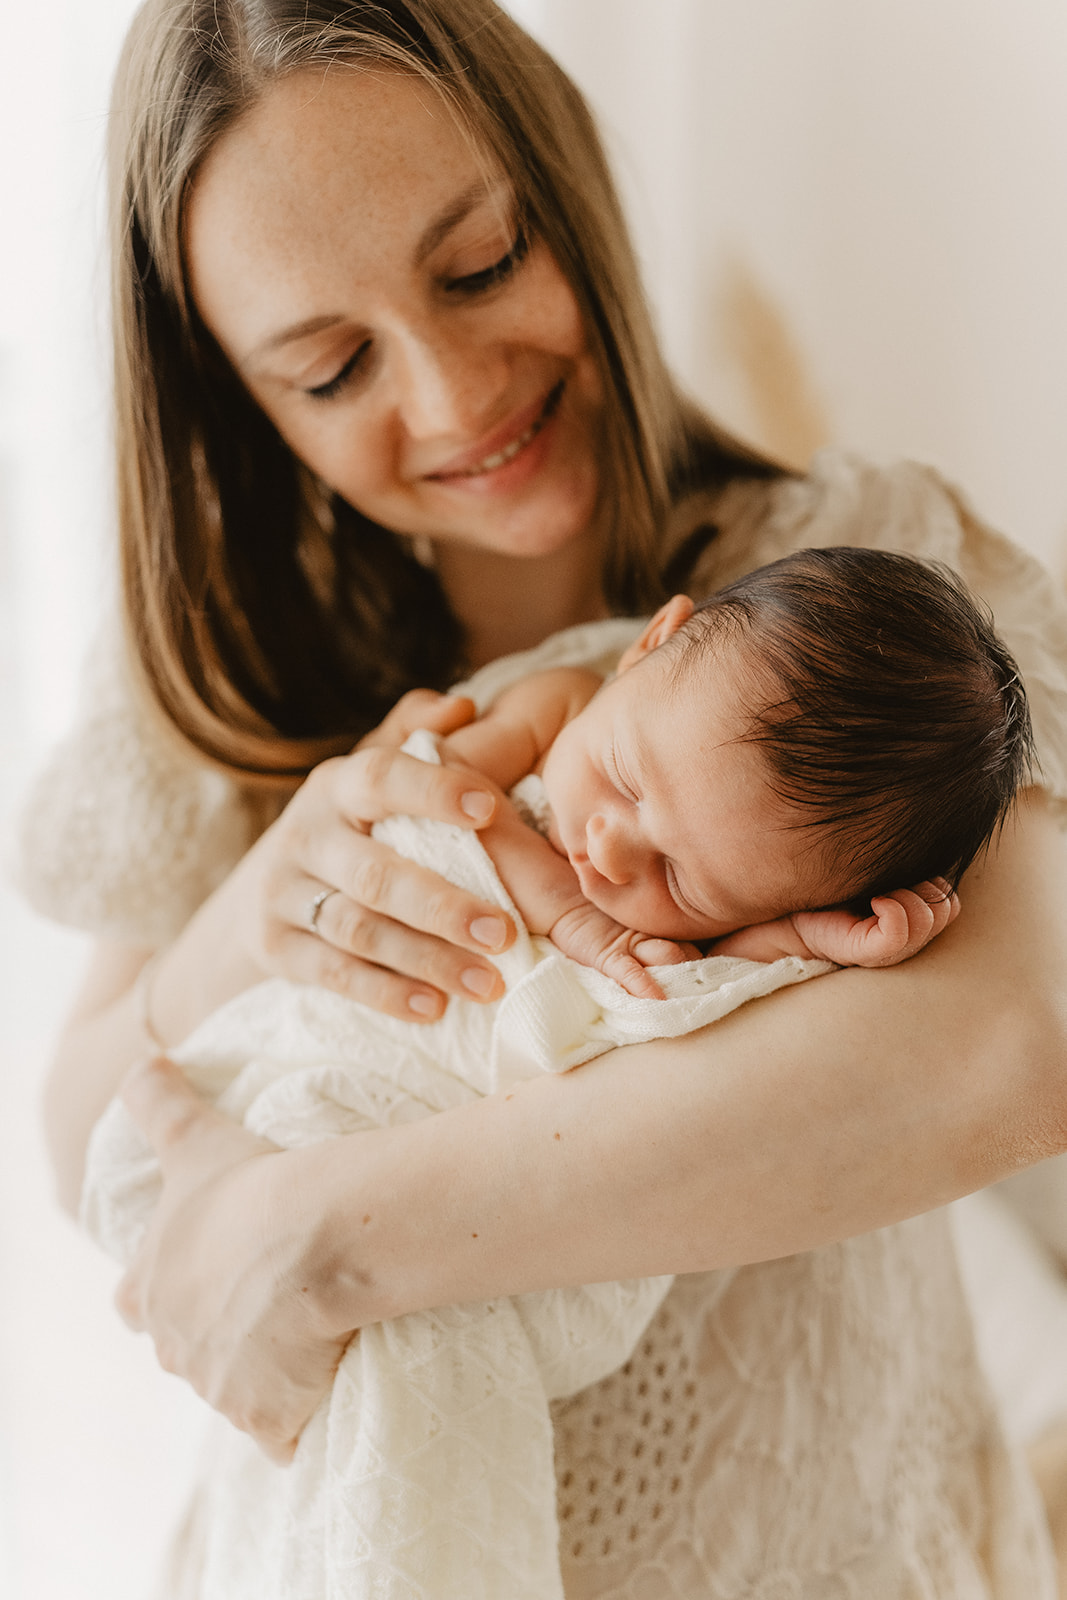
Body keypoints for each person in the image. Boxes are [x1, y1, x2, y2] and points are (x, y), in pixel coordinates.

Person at [18, 0, 1067, 1591]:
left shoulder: (864, 600)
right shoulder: (226, 684)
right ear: (242, 405)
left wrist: (321, 1241)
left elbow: (1018, 1034)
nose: (450, 402)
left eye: (479, 264)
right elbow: (89, 1132)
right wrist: (256, 912)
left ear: (564, 190)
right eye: (329, 365)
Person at [437, 544, 1029, 986]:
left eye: (680, 882)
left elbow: (706, 976)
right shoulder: (552, 707)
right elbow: (437, 794)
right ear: (651, 643)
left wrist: (801, 940)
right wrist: (572, 917)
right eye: (624, 777)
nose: (609, 856)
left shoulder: (701, 917)